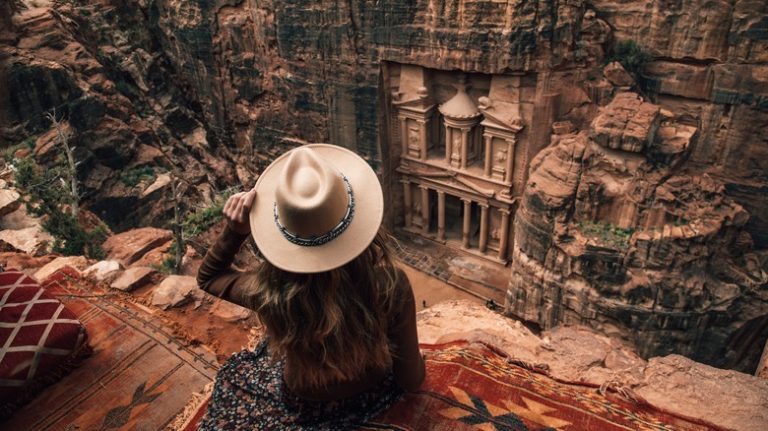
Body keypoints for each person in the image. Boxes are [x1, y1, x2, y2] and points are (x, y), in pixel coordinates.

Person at [196, 144, 425, 430]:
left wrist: (234, 231)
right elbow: (411, 380)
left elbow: (208, 277)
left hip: (302, 401)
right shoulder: (390, 286)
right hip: (374, 396)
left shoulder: (270, 294)